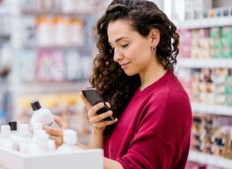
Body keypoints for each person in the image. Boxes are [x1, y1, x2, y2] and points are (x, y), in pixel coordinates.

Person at [44, 0, 192, 169]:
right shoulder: (132, 89)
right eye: (113, 47)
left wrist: (72, 149)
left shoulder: (168, 100)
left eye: (124, 45)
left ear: (153, 38)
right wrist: (97, 129)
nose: (116, 56)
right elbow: (100, 163)